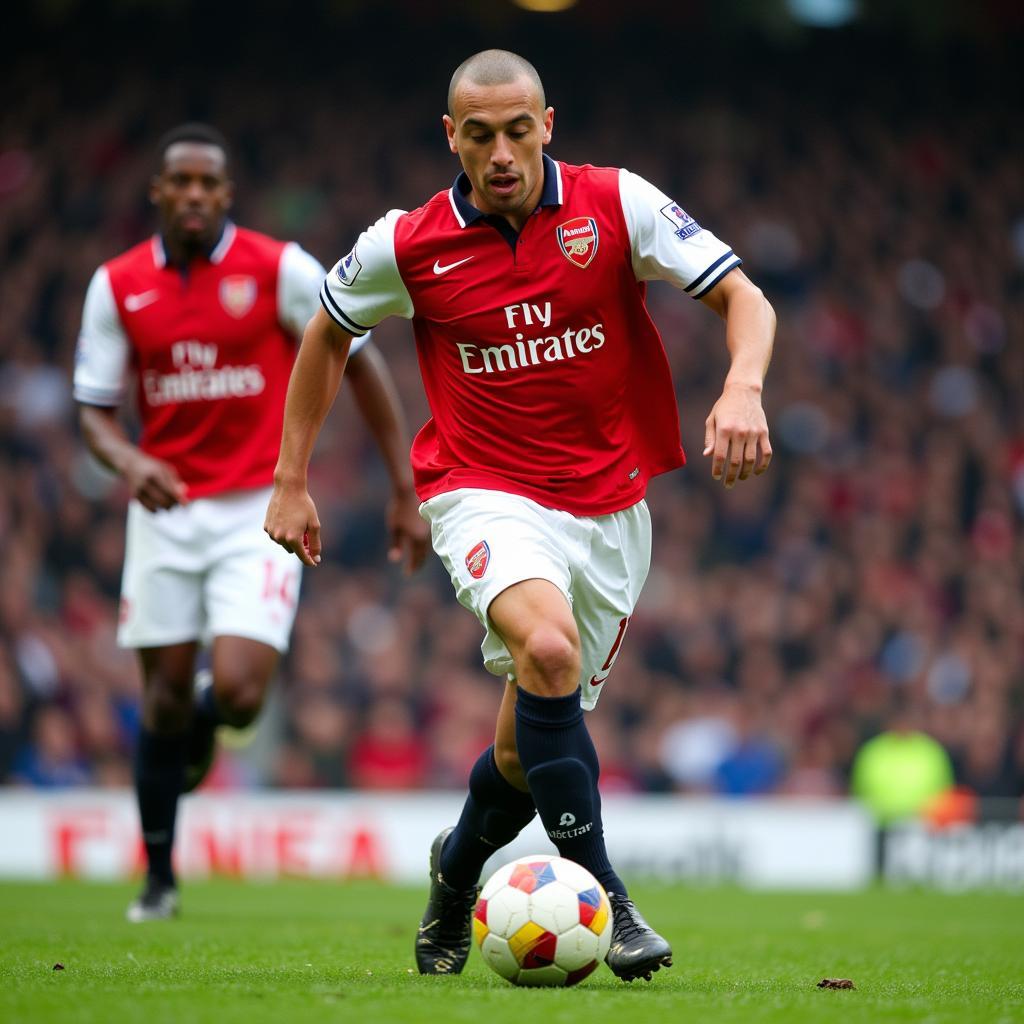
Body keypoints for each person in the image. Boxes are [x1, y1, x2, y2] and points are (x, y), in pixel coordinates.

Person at [265, 50, 775, 982]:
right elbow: (329, 330)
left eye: (517, 130)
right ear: (449, 136)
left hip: (613, 514)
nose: (500, 152)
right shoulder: (405, 243)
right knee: (546, 651)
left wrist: (743, 385)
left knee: (519, 746)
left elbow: (744, 295)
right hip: (480, 488)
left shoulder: (616, 204)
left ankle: (455, 876)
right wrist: (290, 476)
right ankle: (608, 898)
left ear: (548, 124)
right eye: (479, 133)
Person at [73, 123, 428, 922]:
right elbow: (93, 412)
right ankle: (159, 880)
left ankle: (199, 724)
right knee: (159, 703)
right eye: (181, 183)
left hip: (256, 511)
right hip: (164, 511)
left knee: (234, 694)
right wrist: (130, 463)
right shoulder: (117, 284)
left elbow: (359, 356)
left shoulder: (278, 269)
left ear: (226, 195)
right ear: (158, 192)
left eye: (209, 184)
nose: (195, 195)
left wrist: (403, 487)